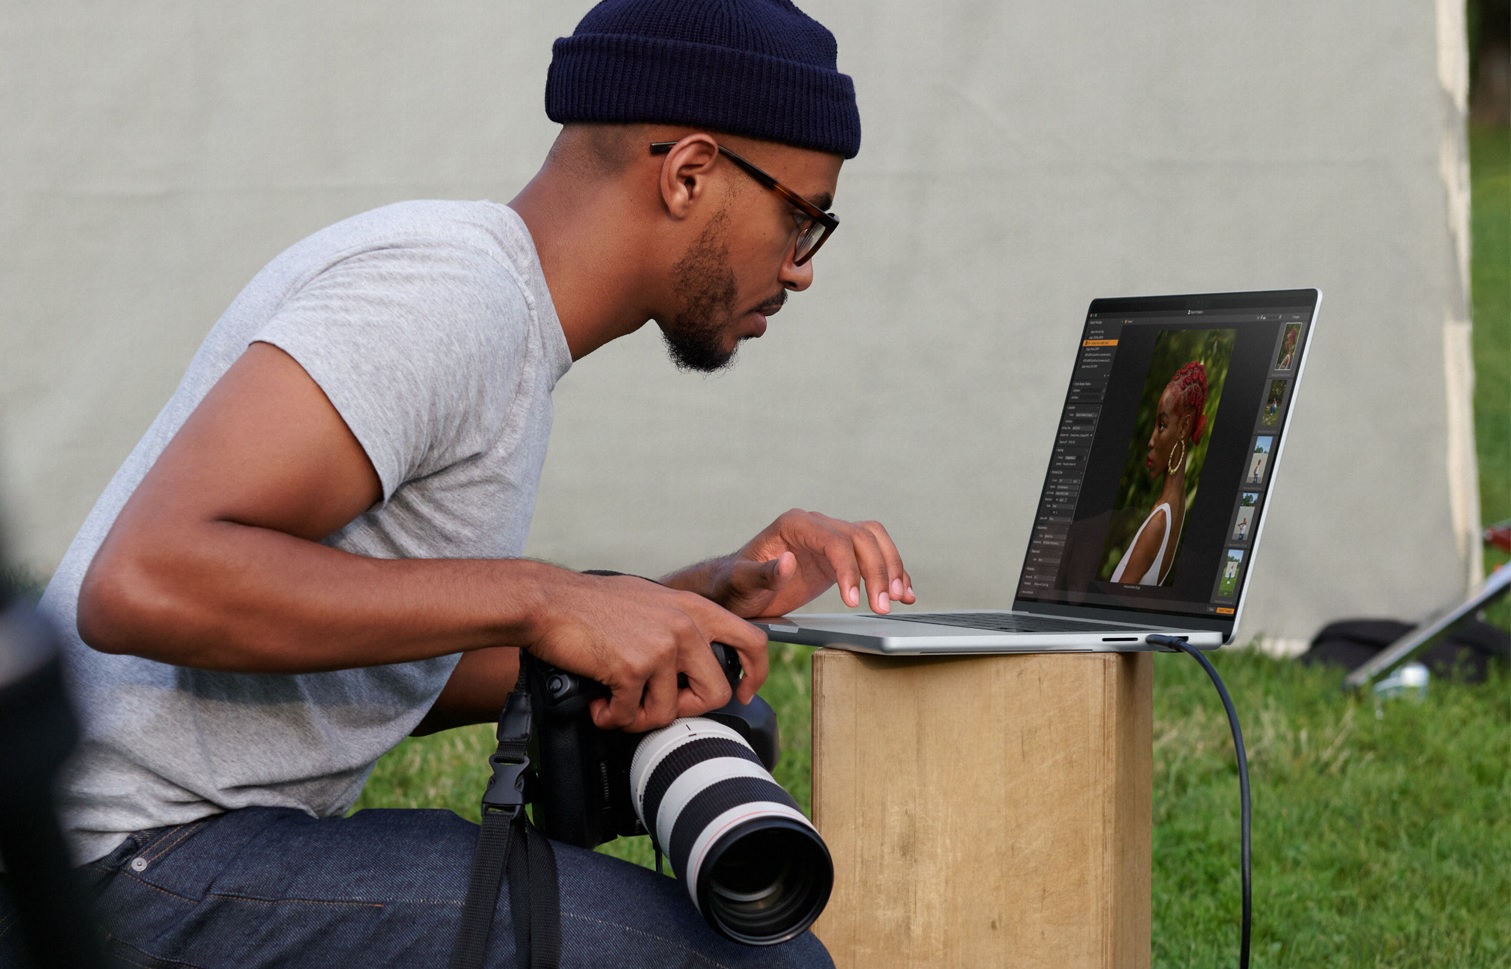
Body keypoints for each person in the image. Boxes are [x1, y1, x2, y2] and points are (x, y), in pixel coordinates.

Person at [3, 2, 915, 967]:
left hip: (150, 852)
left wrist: (671, 603)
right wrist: (541, 596)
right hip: (111, 869)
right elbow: (145, 581)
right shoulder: (451, 298)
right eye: (801, 219)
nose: (799, 269)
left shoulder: (497, 315)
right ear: (689, 174)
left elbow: (370, 664)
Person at [1109, 361, 1208, 585]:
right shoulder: (1178, 506)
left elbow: (1109, 609)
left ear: (1183, 427)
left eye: (1161, 425)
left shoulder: (1159, 522)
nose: (1151, 441)